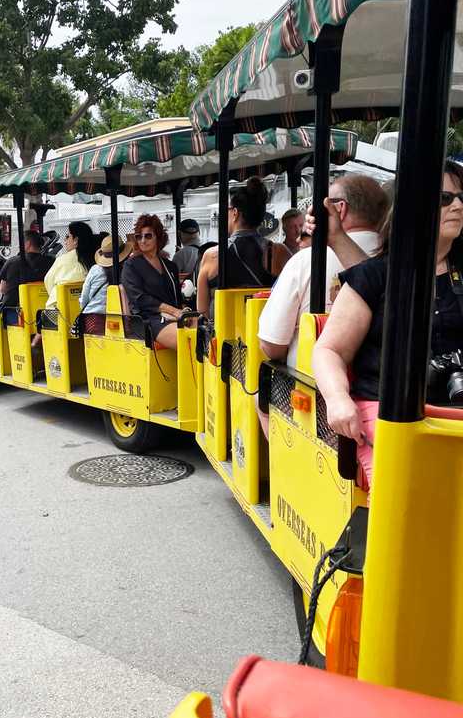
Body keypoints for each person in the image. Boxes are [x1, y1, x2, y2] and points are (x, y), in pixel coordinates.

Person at [313, 161, 463, 490]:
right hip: (391, 415)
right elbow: (329, 349)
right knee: (413, 499)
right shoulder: (374, 277)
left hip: (455, 412)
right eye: (444, 198)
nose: (458, 206)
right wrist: (338, 400)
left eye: (461, 197)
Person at [258, 175, 389, 367]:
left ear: (339, 209)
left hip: (312, 384)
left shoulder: (305, 261)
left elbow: (271, 344)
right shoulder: (398, 262)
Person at [196, 178, 291, 317]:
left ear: (235, 213)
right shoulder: (278, 252)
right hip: (263, 331)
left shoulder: (212, 255)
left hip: (224, 333)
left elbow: (202, 310)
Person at [121, 214, 187, 350]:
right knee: (188, 339)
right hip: (147, 320)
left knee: (205, 331)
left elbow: (176, 296)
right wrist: (174, 311)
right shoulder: (131, 265)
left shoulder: (170, 266)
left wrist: (184, 310)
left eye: (148, 236)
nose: (143, 240)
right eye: (139, 236)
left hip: (173, 317)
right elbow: (139, 298)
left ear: (158, 237)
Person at [42, 221, 97, 309]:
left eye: (67, 237)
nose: (65, 240)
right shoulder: (96, 259)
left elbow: (48, 281)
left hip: (58, 311)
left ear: (76, 240)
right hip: (85, 312)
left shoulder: (62, 259)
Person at [0, 231, 54, 308]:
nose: (18, 246)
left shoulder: (12, 262)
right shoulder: (52, 262)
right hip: (44, 309)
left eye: (20, 243)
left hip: (14, 311)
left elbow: (2, 289)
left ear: (28, 244)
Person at [79, 235, 129, 315]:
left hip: (93, 317)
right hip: (116, 317)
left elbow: (84, 297)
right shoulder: (125, 269)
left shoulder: (95, 270)